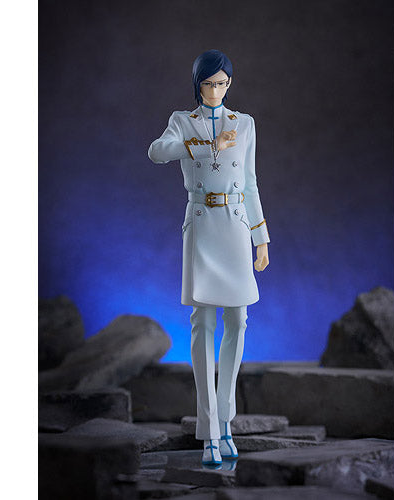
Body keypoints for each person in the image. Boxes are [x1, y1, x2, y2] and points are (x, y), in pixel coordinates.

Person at [148, 49, 270, 466]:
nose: (215, 90)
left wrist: (261, 237)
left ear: (230, 83)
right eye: (208, 83)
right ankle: (209, 429)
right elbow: (157, 151)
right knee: (203, 322)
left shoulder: (244, 124)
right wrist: (206, 146)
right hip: (201, 223)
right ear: (197, 84)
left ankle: (226, 419)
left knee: (238, 319)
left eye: (222, 83)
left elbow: (250, 183)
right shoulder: (183, 121)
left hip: (235, 225)